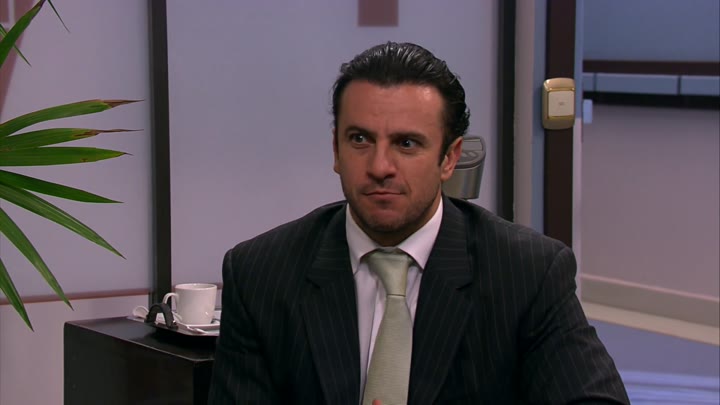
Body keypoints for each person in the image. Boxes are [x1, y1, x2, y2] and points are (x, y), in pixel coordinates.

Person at [208, 41, 629, 404]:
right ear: (336, 150)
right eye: (360, 139)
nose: (380, 166)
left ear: (449, 158)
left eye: (406, 143)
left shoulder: (527, 273)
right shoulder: (261, 273)